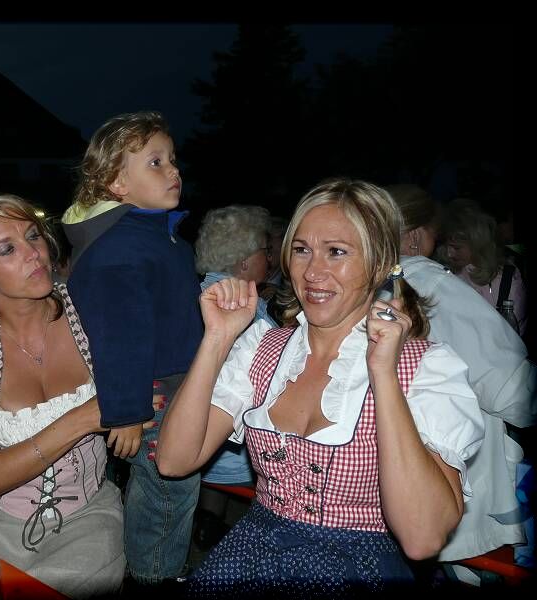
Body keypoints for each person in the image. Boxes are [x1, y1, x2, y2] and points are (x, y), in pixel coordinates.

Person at [156, 178, 485, 597]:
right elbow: (174, 461)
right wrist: (217, 339)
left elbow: (422, 538)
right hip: (251, 556)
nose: (312, 272)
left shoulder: (425, 369)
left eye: (336, 251)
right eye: (301, 249)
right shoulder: (263, 349)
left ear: (380, 264)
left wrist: (383, 375)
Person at [0, 192, 129, 599]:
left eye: (33, 235)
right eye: (7, 248)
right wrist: (86, 417)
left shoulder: (92, 306)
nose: (34, 253)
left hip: (87, 516)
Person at [61, 111, 204, 586]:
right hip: (151, 391)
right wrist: (127, 411)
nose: (173, 170)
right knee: (169, 485)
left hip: (173, 382)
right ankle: (153, 577)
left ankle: (152, 565)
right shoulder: (120, 249)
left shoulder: (159, 237)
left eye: (172, 159)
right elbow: (118, 333)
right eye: (155, 162)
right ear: (116, 183)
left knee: (168, 483)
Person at [386, 183, 537, 566]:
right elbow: (509, 387)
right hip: (448, 480)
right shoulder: (434, 288)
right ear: (416, 235)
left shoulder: (357, 282)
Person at [192, 204, 276, 550]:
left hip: (200, 440)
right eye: (265, 251)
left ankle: (207, 528)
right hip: (228, 449)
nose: (270, 259)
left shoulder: (200, 293)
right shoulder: (244, 310)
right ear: (243, 262)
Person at [438, 198, 528, 336]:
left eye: (457, 248)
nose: (449, 253)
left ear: (477, 245)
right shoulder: (444, 273)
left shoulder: (508, 278)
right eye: (447, 246)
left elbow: (514, 332)